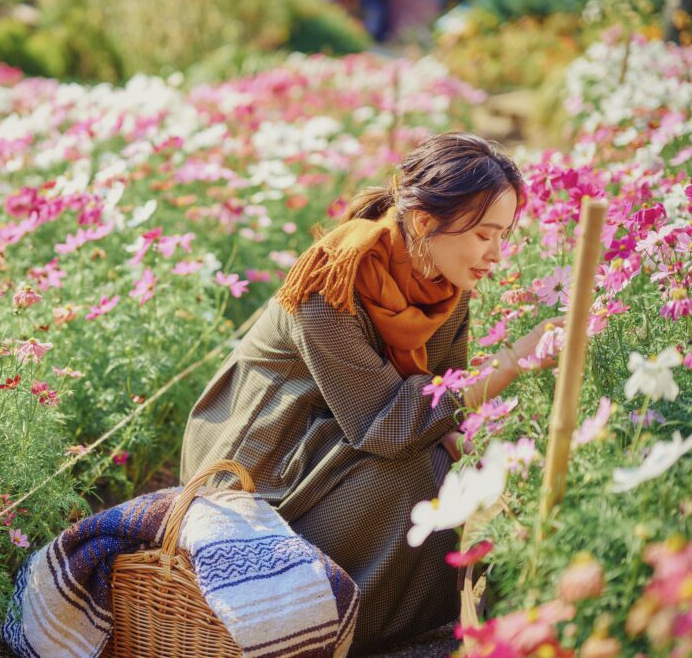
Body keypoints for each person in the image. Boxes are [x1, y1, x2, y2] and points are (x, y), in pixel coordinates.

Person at [179, 132, 561, 652]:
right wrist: (513, 361)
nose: (497, 253)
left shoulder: (445, 285)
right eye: (485, 235)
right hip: (259, 467)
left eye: (504, 235)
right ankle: (340, 632)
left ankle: (401, 625)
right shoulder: (331, 283)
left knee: (461, 472)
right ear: (426, 222)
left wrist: (491, 461)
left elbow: (439, 404)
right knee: (415, 474)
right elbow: (387, 424)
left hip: (339, 434)